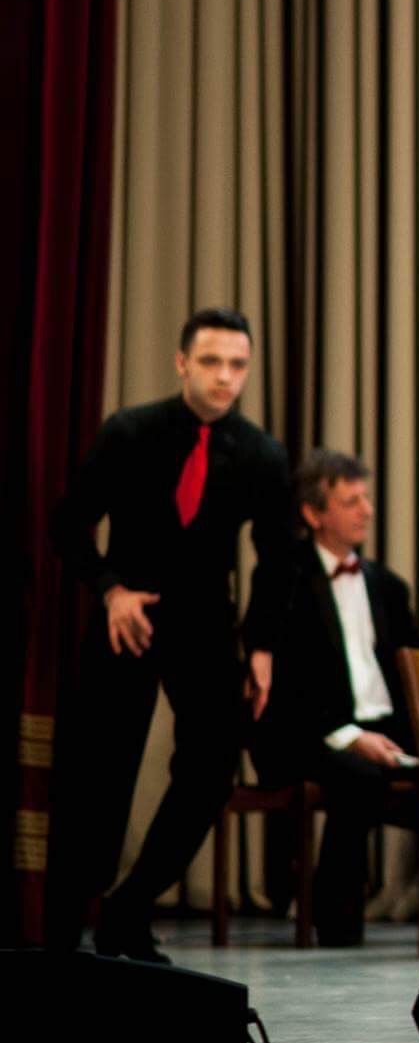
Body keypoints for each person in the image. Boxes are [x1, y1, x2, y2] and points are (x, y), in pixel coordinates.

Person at [48, 306, 294, 962]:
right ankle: (63, 928)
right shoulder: (130, 432)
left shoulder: (262, 454)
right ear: (182, 363)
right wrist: (110, 590)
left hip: (205, 623)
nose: (225, 377)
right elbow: (68, 524)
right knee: (101, 771)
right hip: (128, 615)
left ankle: (128, 910)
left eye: (237, 365)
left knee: (211, 770)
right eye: (211, 362)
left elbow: (277, 557)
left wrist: (262, 647)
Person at [247, 449, 419, 945]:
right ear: (314, 514)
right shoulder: (282, 575)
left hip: (383, 723)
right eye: (351, 501)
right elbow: (283, 682)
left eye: (366, 499)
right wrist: (349, 736)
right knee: (359, 777)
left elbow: (413, 670)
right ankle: (336, 922)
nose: (367, 510)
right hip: (307, 730)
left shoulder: (387, 585)